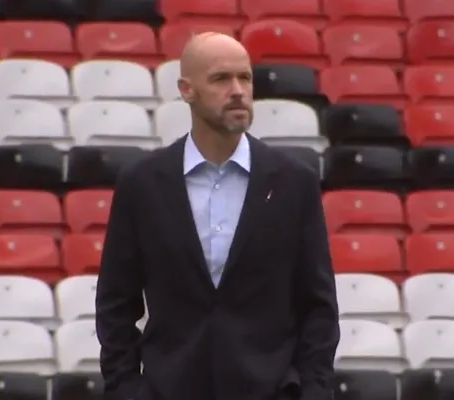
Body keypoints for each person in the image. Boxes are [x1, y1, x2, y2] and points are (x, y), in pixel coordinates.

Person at [95, 32, 340, 400]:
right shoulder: (142, 183)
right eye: (221, 79)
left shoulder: (294, 181)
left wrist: (312, 390)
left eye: (245, 78)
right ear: (186, 90)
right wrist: (127, 389)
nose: (238, 90)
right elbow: (115, 303)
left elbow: (318, 305)